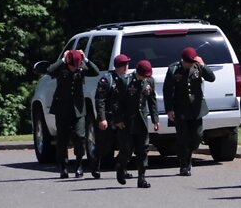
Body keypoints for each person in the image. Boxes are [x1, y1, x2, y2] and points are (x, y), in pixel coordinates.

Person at [163, 47, 216, 176]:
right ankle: (184, 165)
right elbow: (167, 91)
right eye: (188, 62)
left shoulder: (198, 67)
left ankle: (190, 154)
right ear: (183, 60)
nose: (191, 65)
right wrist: (169, 109)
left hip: (196, 109)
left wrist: (203, 65)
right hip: (180, 109)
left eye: (193, 62)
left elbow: (212, 78)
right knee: (182, 139)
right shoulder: (173, 69)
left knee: (197, 136)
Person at [47, 49, 99, 178]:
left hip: (78, 110)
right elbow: (49, 71)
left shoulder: (81, 68)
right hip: (62, 109)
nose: (73, 68)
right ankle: (63, 167)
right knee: (62, 139)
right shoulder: (61, 68)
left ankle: (79, 165)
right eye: (71, 66)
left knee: (80, 136)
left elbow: (96, 72)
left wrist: (85, 59)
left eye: (76, 66)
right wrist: (63, 59)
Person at [114, 60, 159, 188]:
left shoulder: (149, 81)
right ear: (138, 72)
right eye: (143, 75)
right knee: (127, 149)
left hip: (142, 121)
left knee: (143, 150)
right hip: (126, 121)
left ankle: (142, 178)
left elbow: (152, 101)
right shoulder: (125, 81)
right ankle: (121, 167)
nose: (145, 77)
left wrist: (155, 120)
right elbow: (116, 102)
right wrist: (118, 120)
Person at [92, 54, 132, 179]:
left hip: (124, 118)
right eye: (123, 65)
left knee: (127, 145)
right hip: (110, 117)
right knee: (105, 145)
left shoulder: (130, 79)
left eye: (127, 64)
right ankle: (95, 165)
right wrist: (102, 118)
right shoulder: (107, 79)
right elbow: (100, 100)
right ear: (117, 66)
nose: (126, 67)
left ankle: (122, 169)